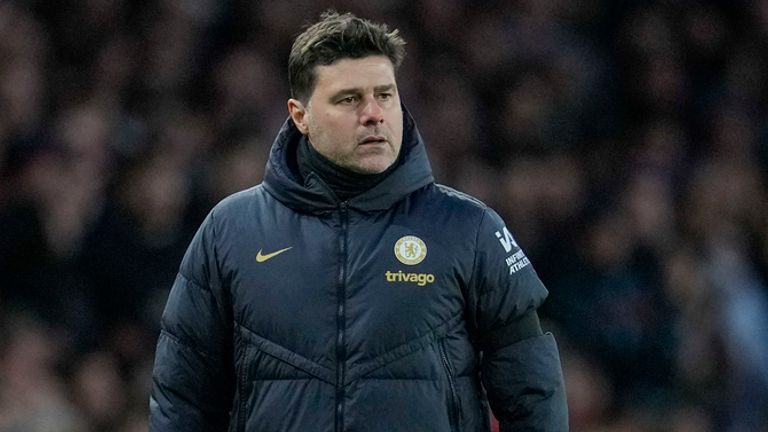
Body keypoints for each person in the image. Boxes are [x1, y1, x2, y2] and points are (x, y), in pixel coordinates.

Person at [149, 10, 568, 432]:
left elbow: (532, 394)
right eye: (349, 99)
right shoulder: (230, 231)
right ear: (300, 115)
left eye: (385, 95)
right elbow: (182, 398)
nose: (374, 114)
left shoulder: (470, 229)